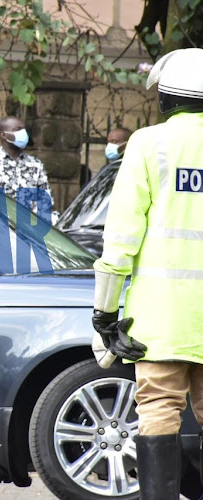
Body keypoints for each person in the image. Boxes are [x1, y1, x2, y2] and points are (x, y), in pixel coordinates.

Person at [91, 48, 203, 499]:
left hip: (159, 319)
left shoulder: (148, 143)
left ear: (167, 97)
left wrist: (104, 312)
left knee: (158, 410)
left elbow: (120, 240)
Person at [0, 116, 53, 215]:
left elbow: (45, 199)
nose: (23, 133)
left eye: (24, 129)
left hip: (31, 226)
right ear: (3, 135)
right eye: (18, 130)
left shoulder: (35, 164)